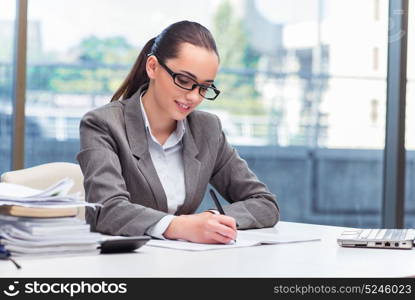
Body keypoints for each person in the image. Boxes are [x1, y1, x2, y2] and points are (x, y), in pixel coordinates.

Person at [77, 20, 279, 244]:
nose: (194, 96)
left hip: (184, 263)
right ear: (152, 67)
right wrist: (178, 226)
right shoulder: (103, 124)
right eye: (184, 80)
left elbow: (264, 203)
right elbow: (106, 210)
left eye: (204, 87)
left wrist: (213, 219)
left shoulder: (207, 129)